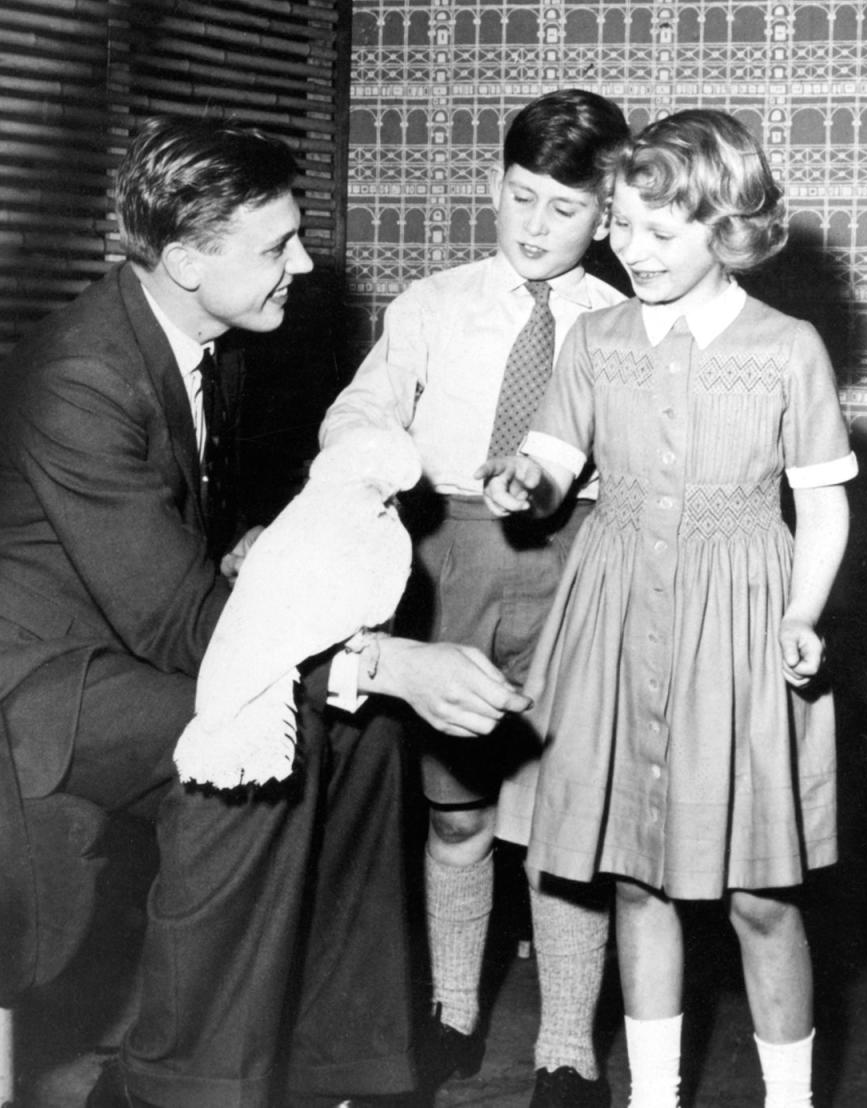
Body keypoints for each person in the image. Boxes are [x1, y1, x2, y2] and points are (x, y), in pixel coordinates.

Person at [0, 115, 532, 1108]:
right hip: (29, 685)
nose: (303, 264)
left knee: (362, 736)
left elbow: (172, 564)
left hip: (114, 638)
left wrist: (251, 559)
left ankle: (342, 1065)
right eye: (276, 246)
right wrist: (381, 660)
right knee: (253, 741)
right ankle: (175, 1084)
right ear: (183, 259)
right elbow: (182, 627)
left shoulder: (204, 340)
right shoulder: (83, 374)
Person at [480, 109, 857, 1108]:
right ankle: (653, 1095)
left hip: (740, 624)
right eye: (622, 226)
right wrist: (527, 479)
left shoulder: (789, 348)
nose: (630, 250)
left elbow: (821, 504)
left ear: (725, 228)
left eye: (661, 232)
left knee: (759, 896)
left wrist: (804, 613)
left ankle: (790, 1098)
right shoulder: (596, 338)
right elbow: (559, 458)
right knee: (636, 879)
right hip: (614, 607)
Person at [320, 89, 629, 1108]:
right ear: (495, 185)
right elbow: (362, 408)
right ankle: (452, 1012)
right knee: (453, 813)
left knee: (567, 826)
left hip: (577, 568)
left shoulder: (627, 323)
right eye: (520, 196)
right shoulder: (431, 304)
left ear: (610, 210)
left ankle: (568, 1047)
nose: (536, 228)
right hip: (446, 558)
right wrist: (367, 455)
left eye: (566, 209)